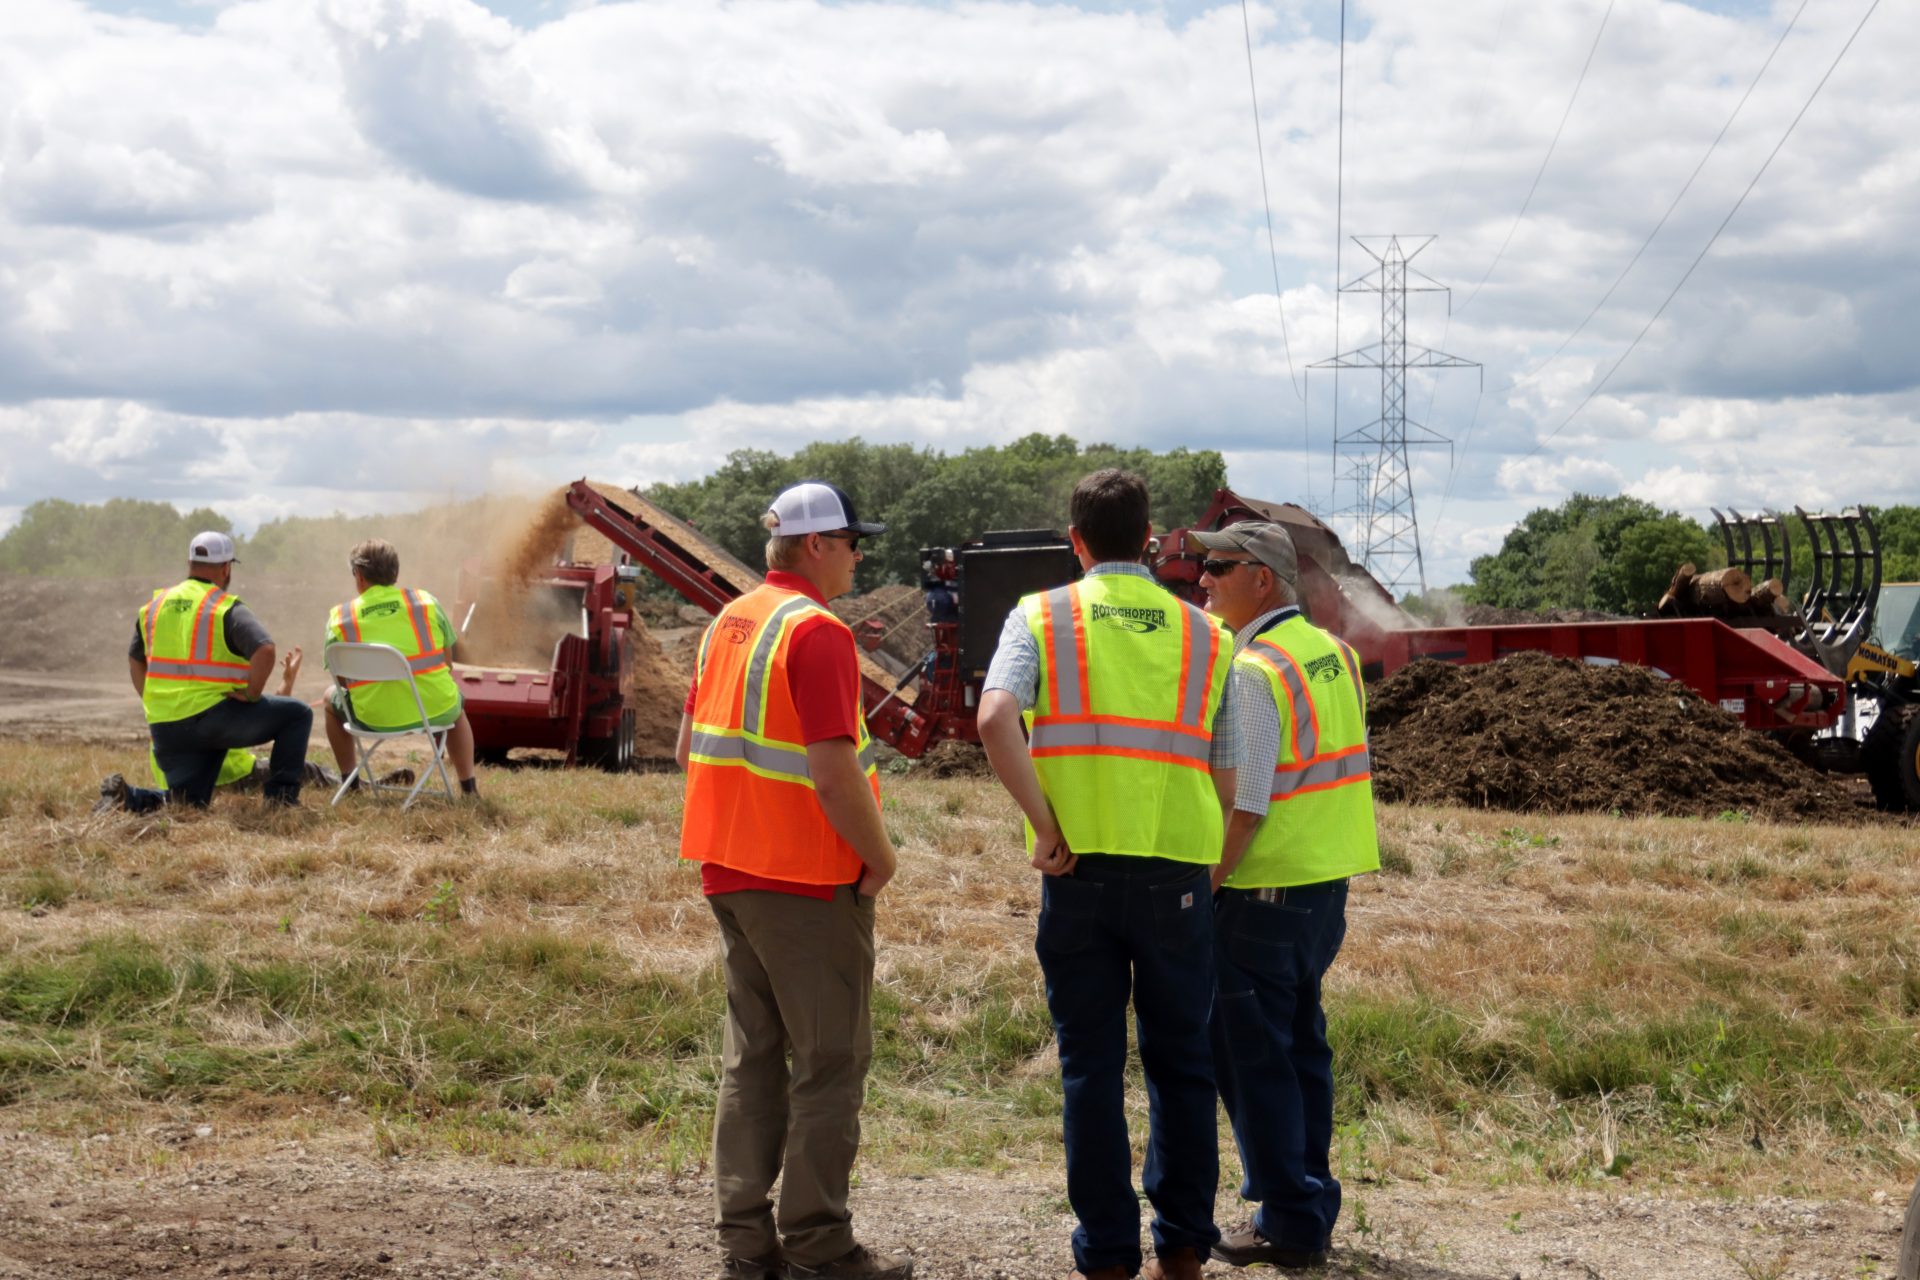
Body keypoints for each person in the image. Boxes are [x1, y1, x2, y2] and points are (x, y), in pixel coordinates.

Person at [976, 468, 1239, 1280]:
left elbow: (993, 717)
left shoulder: (1042, 616)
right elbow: (1228, 770)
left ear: (1076, 539)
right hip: (1178, 873)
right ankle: (1186, 1250)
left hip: (1078, 870)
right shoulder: (1208, 635)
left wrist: (1046, 825)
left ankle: (1107, 1258)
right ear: (1151, 537)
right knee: (1182, 1062)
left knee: (1090, 1067)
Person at [675, 482, 912, 1280]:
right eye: (853, 542)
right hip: (807, 882)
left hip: (728, 872)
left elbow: (686, 751)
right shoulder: (817, 634)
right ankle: (819, 1247)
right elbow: (833, 770)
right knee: (829, 1067)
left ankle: (747, 1246)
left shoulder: (728, 622)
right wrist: (880, 859)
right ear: (818, 545)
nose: (858, 556)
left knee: (753, 1060)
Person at [1191, 520, 1379, 1270]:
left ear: (1261, 579)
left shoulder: (1254, 671)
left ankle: (1290, 1220)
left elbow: (1249, 801)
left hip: (1263, 890)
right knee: (1300, 1051)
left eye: (1218, 566)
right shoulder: (1333, 652)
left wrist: (1207, 884)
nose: (1202, 579)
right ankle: (1308, 1203)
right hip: (1322, 888)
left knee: (1252, 1059)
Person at [112, 531, 313, 812]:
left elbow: (135, 661)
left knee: (188, 803)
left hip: (165, 728)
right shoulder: (223, 606)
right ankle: (281, 802)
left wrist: (153, 700)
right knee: (298, 714)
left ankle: (128, 798)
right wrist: (252, 693)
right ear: (226, 567)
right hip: (212, 720)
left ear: (190, 563)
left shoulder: (153, 607)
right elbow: (265, 650)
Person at [322, 539, 478, 797]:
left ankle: (350, 783)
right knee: (456, 707)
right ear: (395, 573)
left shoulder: (340, 616)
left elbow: (342, 681)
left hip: (373, 718)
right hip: (434, 710)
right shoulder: (426, 602)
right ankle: (468, 787)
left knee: (330, 698)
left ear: (358, 576)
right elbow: (447, 663)